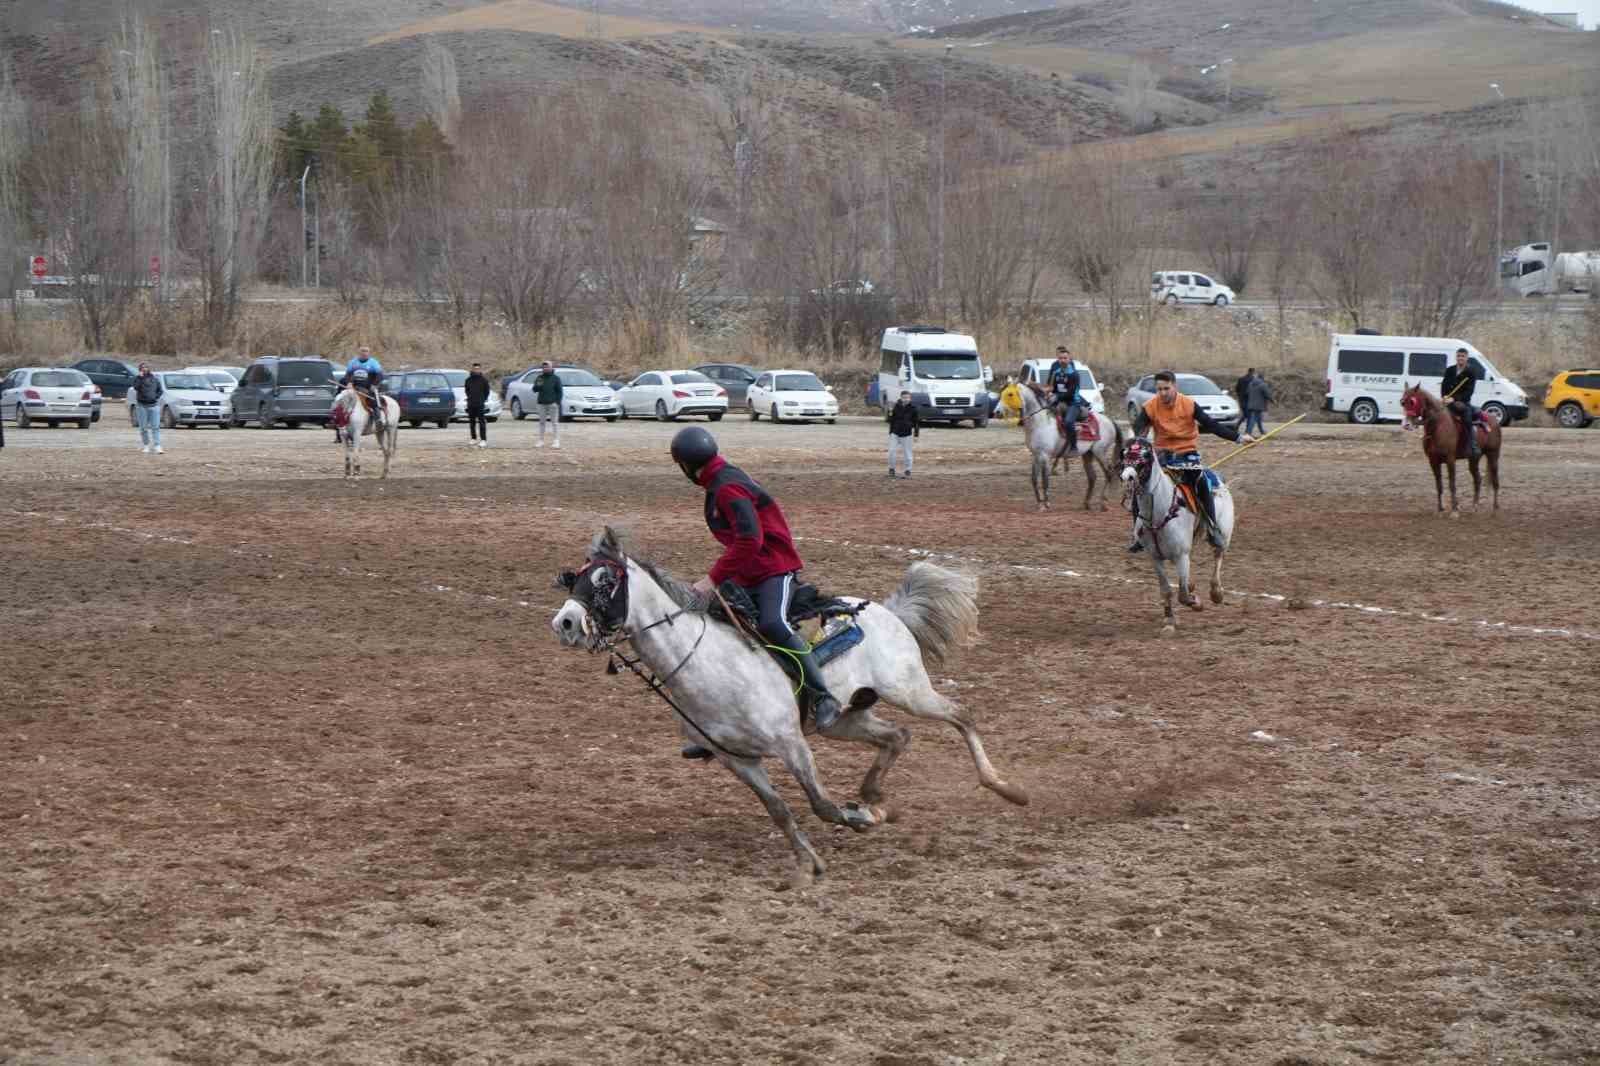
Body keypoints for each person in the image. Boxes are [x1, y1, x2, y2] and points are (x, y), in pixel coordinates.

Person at [671, 426, 846, 759]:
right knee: (715, 627)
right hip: (749, 569)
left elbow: (751, 541)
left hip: (773, 568)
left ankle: (823, 697)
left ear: (685, 465)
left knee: (772, 625)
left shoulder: (727, 487)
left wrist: (712, 579)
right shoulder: (719, 478)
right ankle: (722, 727)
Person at [1130, 370, 1253, 552]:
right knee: (1139, 487)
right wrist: (1137, 440)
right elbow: (1138, 428)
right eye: (1159, 389)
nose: (1162, 393)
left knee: (1201, 481)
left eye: (1166, 388)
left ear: (1174, 386)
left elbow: (1212, 425)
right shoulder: (1150, 406)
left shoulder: (1188, 404)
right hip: (1162, 455)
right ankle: (1139, 534)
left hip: (1187, 454)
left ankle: (1212, 528)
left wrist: (1239, 438)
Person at [1440, 347, 1482, 458]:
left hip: (1462, 402)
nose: (1460, 358)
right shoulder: (1449, 370)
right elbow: (1444, 385)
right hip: (1447, 401)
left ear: (1467, 358)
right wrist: (1444, 396)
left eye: (1463, 356)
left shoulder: (1471, 372)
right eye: (1458, 356)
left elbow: (1469, 391)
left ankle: (1472, 445)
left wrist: (1454, 399)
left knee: (1467, 417)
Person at [1046, 345, 1084, 455]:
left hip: (1073, 402)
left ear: (1069, 359)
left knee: (1068, 422)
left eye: (1065, 358)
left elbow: (1071, 393)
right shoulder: (1056, 372)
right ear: (1058, 359)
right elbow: (1053, 388)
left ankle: (1074, 446)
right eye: (1060, 358)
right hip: (1060, 401)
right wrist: (1048, 394)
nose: (1062, 360)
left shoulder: (1074, 374)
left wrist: (1056, 396)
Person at [345, 346, 385, 430]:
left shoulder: (373, 363)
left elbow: (380, 375)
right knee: (342, 397)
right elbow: (348, 374)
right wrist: (349, 382)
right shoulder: (352, 362)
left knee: (374, 400)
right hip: (354, 387)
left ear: (369, 353)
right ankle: (339, 421)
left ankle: (378, 418)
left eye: (366, 351)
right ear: (359, 352)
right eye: (362, 351)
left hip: (369, 387)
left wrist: (374, 385)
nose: (364, 353)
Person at [131, 362, 165, 454]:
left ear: (149, 369)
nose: (144, 369)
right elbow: (136, 387)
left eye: (146, 367)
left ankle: (157, 446)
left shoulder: (154, 379)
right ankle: (146, 445)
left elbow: (160, 390)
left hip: (154, 406)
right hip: (142, 406)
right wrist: (140, 377)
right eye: (142, 368)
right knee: (143, 428)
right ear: (140, 370)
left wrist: (155, 397)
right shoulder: (138, 379)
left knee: (156, 427)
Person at [887, 389, 919, 478]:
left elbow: (916, 423)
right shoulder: (896, 407)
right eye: (904, 397)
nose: (906, 399)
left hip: (907, 434)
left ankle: (908, 470)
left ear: (910, 398)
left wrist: (916, 435)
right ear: (901, 398)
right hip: (895, 433)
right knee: (891, 451)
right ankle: (891, 469)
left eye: (908, 398)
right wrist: (889, 412)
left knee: (907, 453)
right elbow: (891, 420)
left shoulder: (913, 408)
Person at [532, 361, 563, 449]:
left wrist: (557, 402)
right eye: (544, 367)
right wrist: (538, 385)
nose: (545, 368)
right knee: (542, 422)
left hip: (552, 403)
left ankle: (556, 441)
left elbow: (560, 392)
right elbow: (534, 390)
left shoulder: (556, 378)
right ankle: (541, 440)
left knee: (555, 423)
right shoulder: (540, 378)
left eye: (547, 366)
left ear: (551, 368)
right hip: (541, 403)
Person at [464, 362, 491, 448]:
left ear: (480, 369)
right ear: (472, 369)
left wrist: (482, 399)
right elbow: (467, 391)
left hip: (480, 404)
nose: (476, 370)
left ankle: (483, 439)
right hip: (471, 403)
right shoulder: (468, 380)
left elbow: (487, 391)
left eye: (478, 369)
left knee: (482, 422)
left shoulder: (484, 380)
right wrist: (470, 398)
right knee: (472, 422)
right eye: (475, 369)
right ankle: (473, 438)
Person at [1245, 369, 1271, 437]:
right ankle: (1248, 433)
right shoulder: (1263, 385)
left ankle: (1262, 431)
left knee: (1258, 418)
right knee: (1253, 420)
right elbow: (1267, 394)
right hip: (1259, 405)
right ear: (1262, 378)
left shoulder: (1250, 384)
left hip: (1251, 404)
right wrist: (1273, 400)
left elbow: (1247, 393)